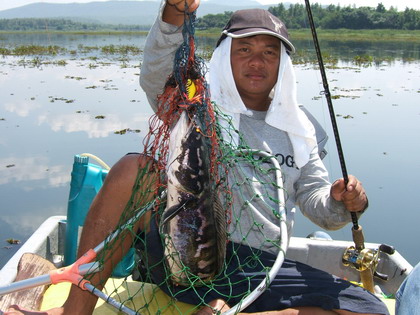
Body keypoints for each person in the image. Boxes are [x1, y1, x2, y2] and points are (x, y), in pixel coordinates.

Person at [6, 1, 388, 314]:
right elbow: (157, 73)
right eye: (245, 50)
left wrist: (345, 200)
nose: (257, 62)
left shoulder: (301, 128)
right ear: (227, 55)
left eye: (269, 53)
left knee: (366, 308)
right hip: (180, 251)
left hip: (258, 265)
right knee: (132, 169)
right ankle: (76, 309)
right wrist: (175, 13)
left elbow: (320, 208)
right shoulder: (197, 104)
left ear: (282, 64)